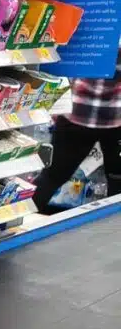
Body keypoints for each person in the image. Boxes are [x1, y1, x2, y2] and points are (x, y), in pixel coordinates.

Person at [33, 55, 121, 213]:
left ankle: (20, 220)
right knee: (117, 179)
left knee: (52, 176)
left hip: (78, 112)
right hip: (113, 115)